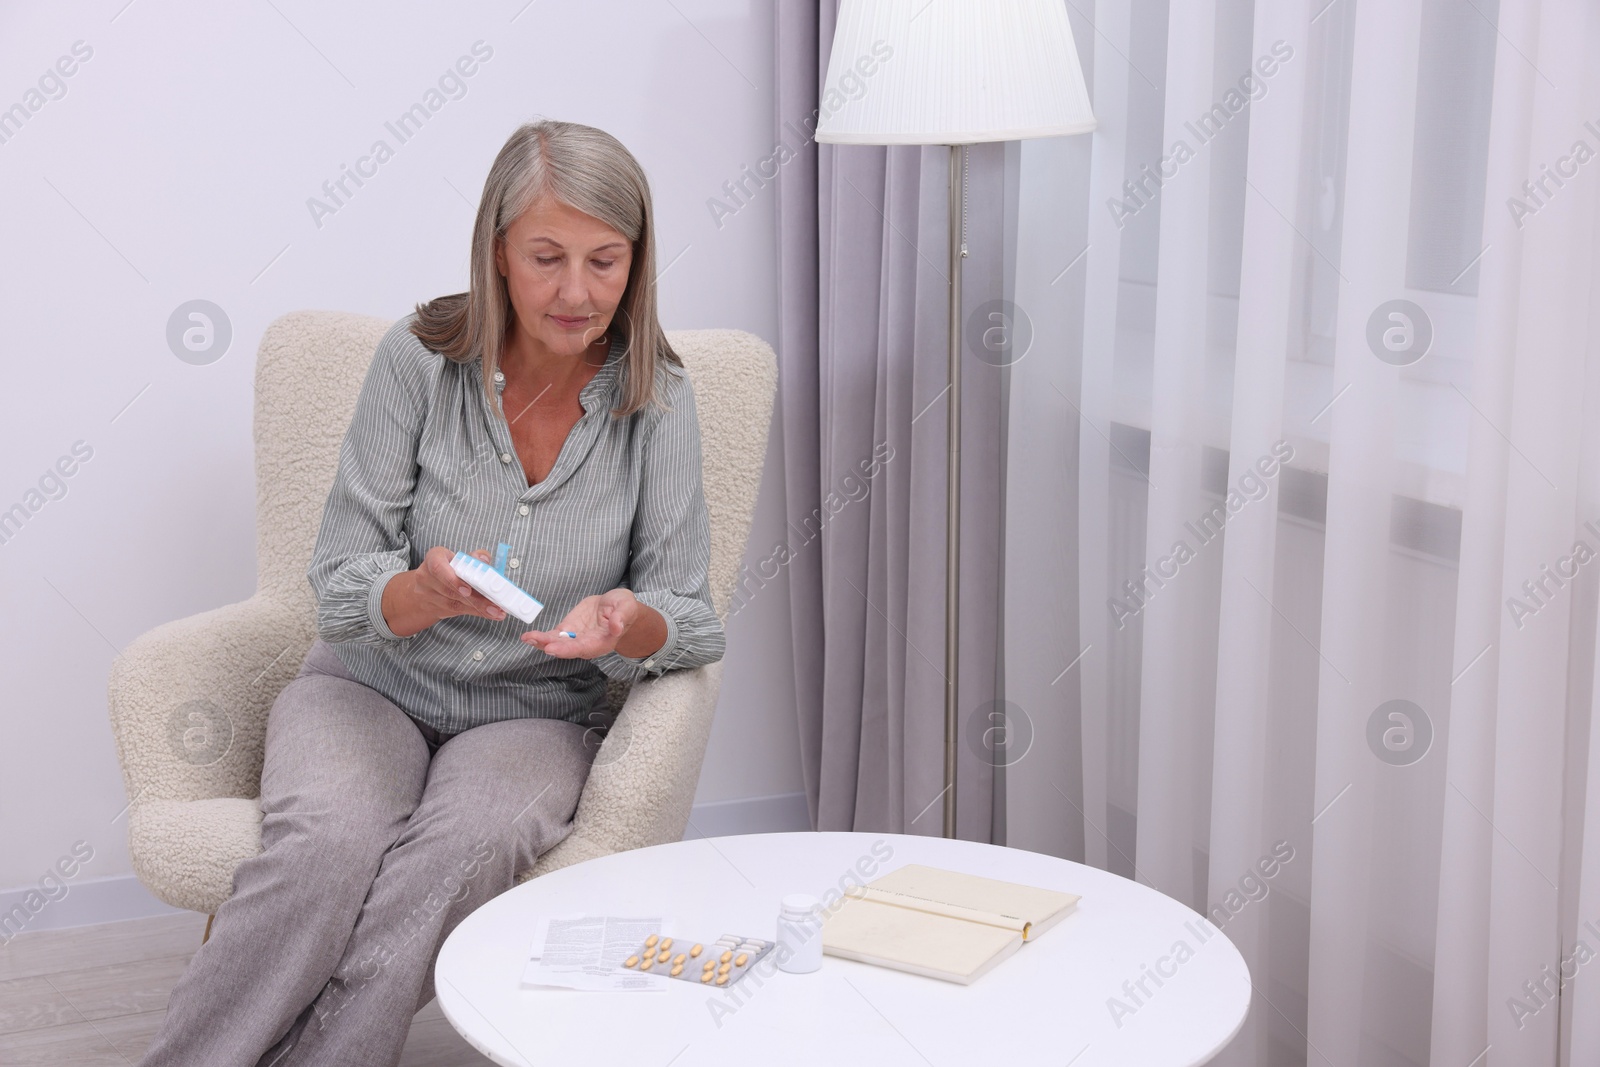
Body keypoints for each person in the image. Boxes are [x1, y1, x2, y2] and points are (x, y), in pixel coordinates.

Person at [137, 119, 726, 1067]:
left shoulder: (658, 398)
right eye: (546, 257)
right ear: (498, 252)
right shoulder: (418, 358)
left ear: (638, 261)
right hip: (370, 684)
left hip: (533, 712)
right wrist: (423, 592)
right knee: (324, 845)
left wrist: (627, 619)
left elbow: (687, 615)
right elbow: (337, 580)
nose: (577, 292)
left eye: (605, 261)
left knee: (452, 855)